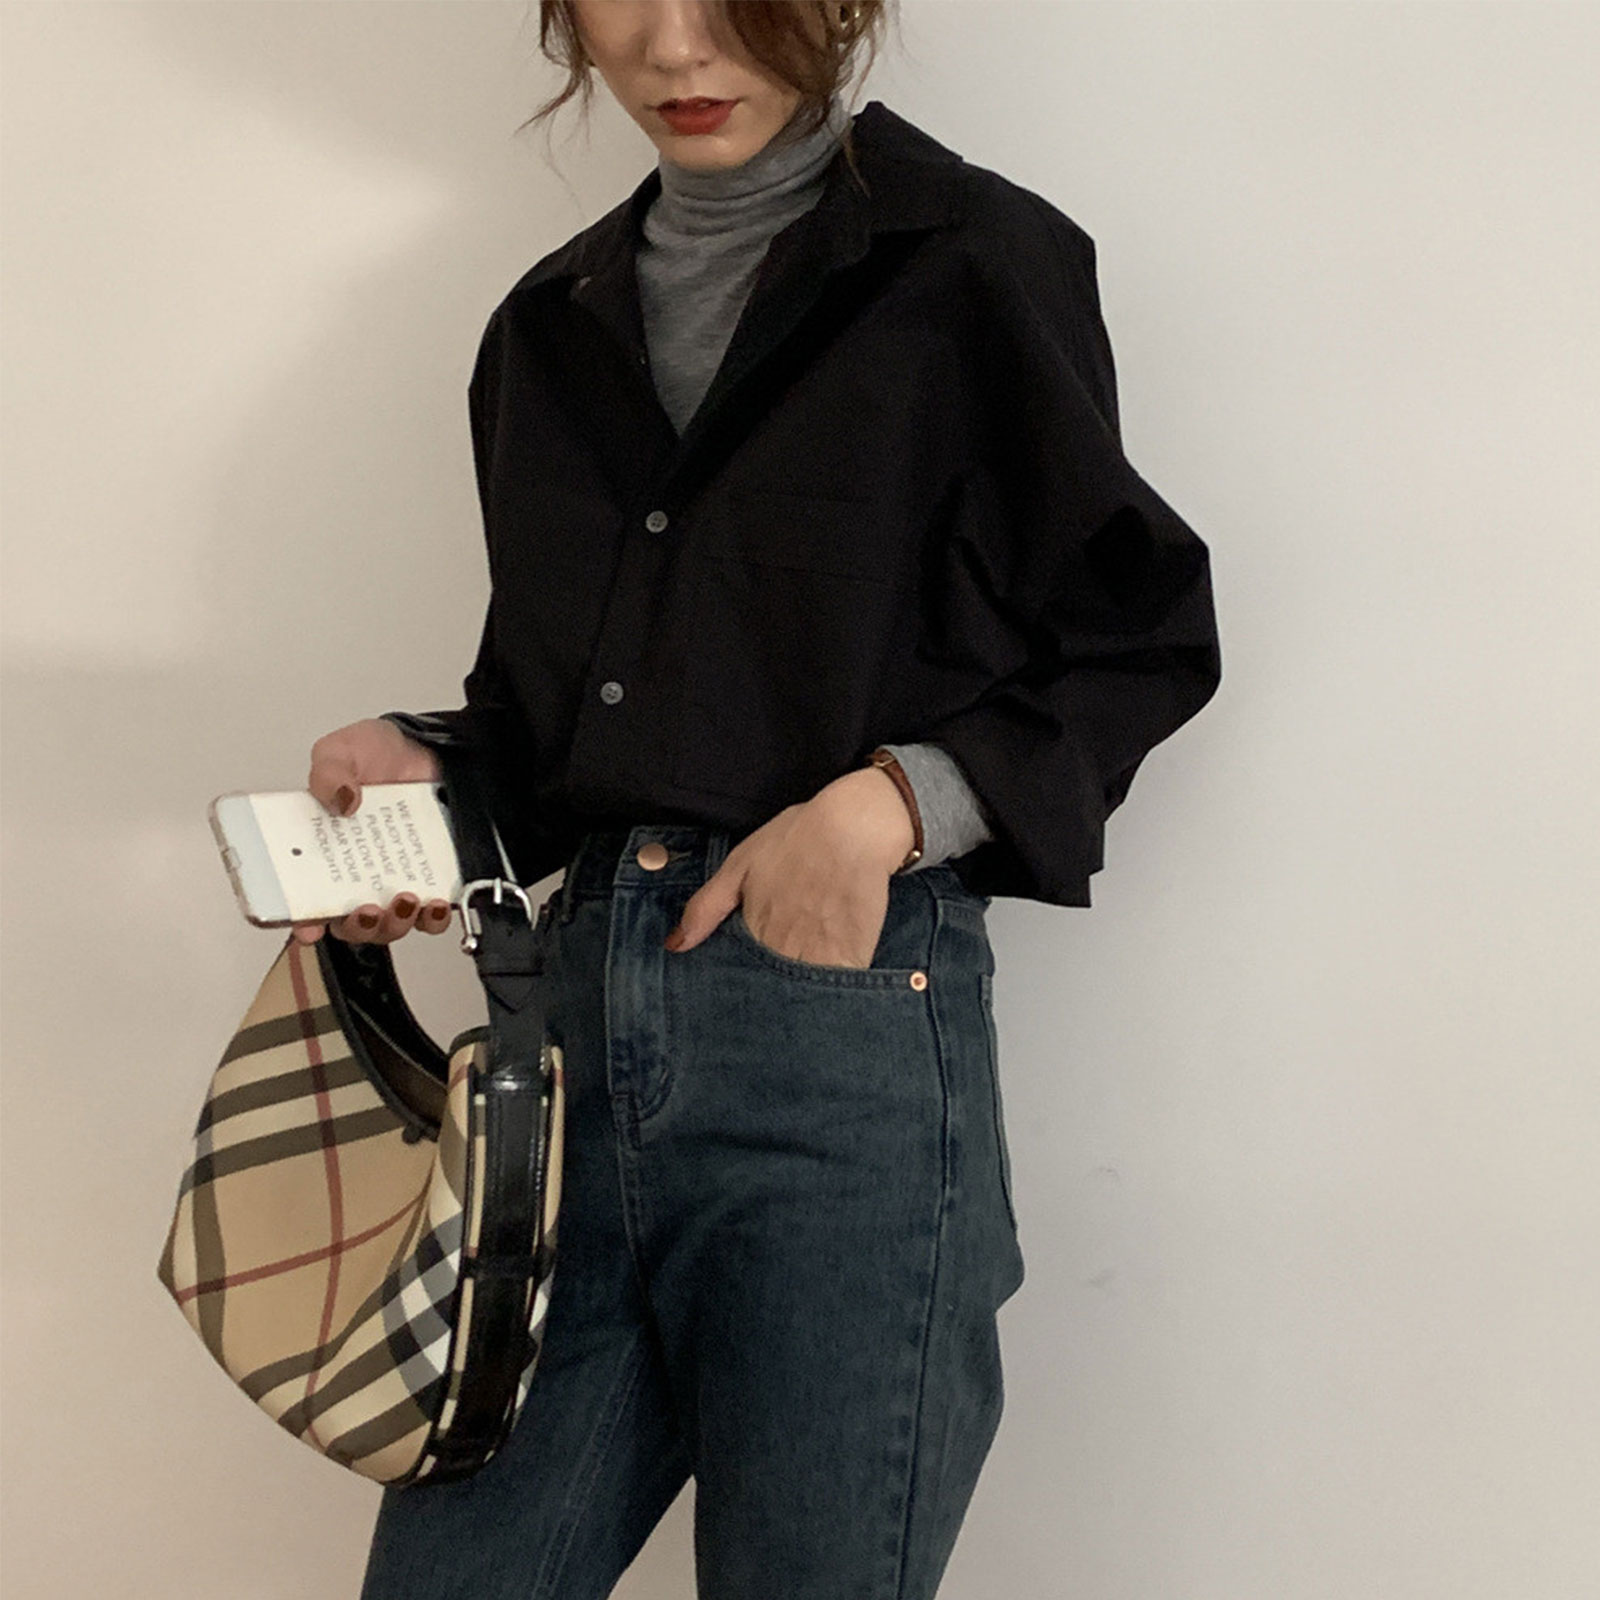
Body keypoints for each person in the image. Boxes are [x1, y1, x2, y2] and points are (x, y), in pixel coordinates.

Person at [300, 3, 1220, 1595]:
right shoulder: (549, 322)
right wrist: (432, 770)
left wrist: (890, 809)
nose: (672, 46)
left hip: (834, 1046)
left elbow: (1136, 639)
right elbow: (566, 726)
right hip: (564, 1071)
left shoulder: (974, 264)